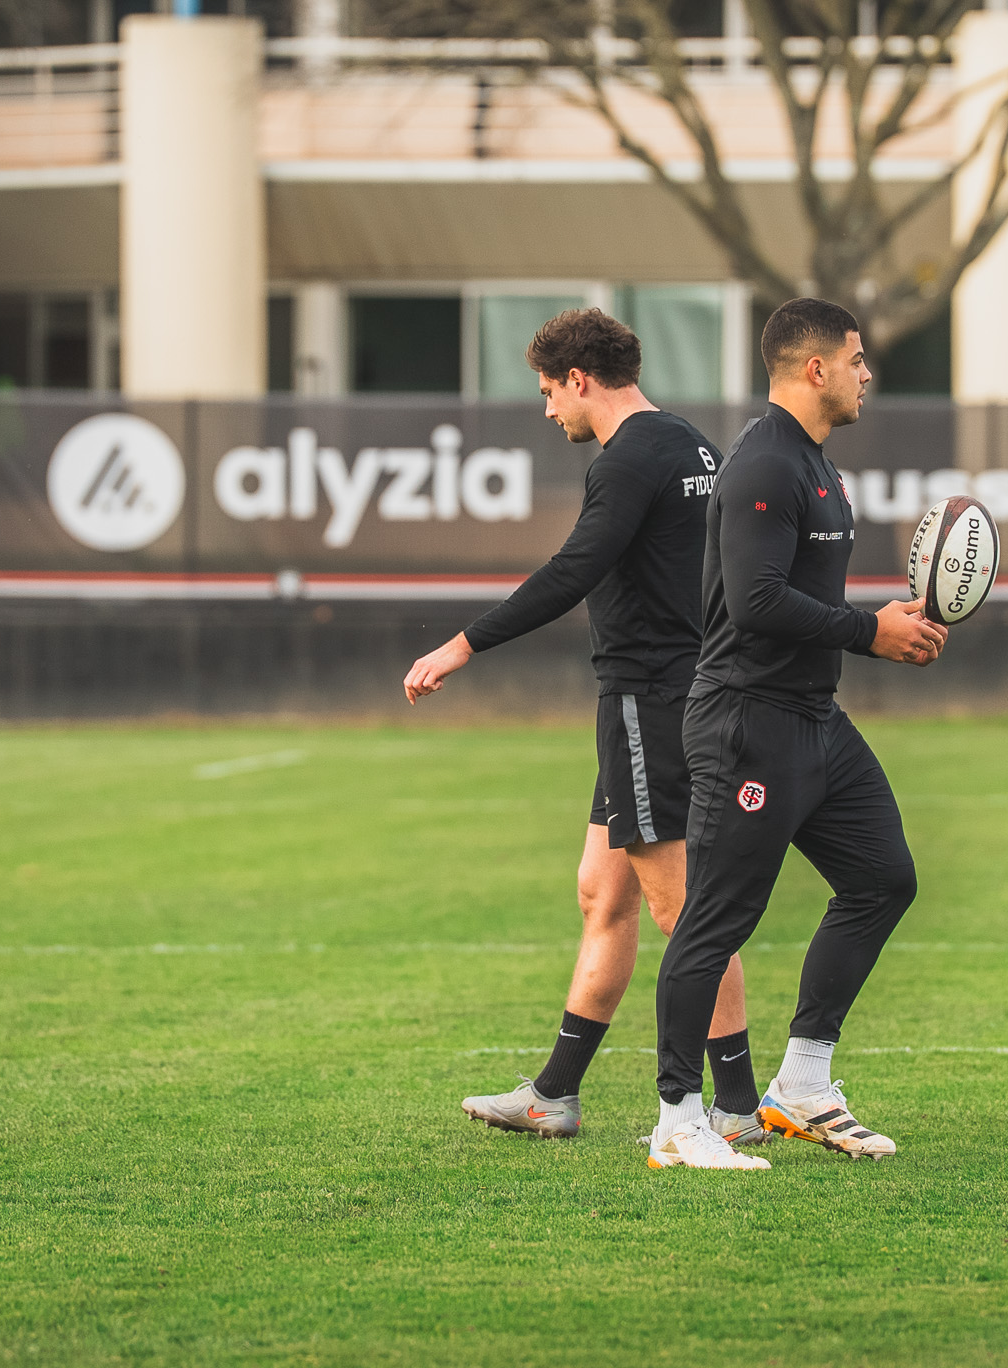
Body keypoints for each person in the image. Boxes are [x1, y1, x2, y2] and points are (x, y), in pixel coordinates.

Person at [404, 309, 766, 1144]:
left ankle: (740, 1106)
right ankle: (554, 1095)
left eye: (546, 392)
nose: (546, 412)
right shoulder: (692, 445)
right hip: (682, 694)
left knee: (684, 910)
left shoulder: (628, 458)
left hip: (650, 701)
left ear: (580, 379)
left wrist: (463, 645)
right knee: (604, 891)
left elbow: (574, 570)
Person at [645, 298, 946, 1172]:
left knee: (884, 879)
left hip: (815, 720)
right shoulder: (765, 464)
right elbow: (757, 602)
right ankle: (678, 1119)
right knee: (713, 923)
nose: (866, 374)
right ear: (814, 368)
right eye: (856, 358)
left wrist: (899, 620)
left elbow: (803, 593)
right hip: (748, 724)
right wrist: (870, 632)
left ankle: (803, 1083)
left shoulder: (816, 464)